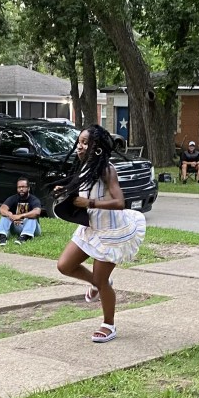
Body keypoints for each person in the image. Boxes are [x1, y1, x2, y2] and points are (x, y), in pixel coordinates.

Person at [55, 125, 147, 344]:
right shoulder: (85, 165)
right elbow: (82, 189)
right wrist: (65, 190)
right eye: (79, 142)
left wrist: (88, 202)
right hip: (90, 226)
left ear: (97, 147)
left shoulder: (107, 169)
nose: (80, 146)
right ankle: (97, 283)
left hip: (111, 231)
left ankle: (109, 324)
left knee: (101, 278)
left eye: (85, 143)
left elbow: (119, 202)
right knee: (64, 266)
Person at [0, 177, 42, 245]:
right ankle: (2, 238)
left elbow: (37, 212)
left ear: (28, 188)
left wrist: (20, 216)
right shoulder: (13, 198)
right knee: (5, 216)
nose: (21, 189)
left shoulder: (34, 200)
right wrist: (10, 215)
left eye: (23, 187)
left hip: (33, 229)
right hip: (17, 226)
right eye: (19, 187)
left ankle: (24, 237)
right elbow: (1, 209)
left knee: (32, 218)